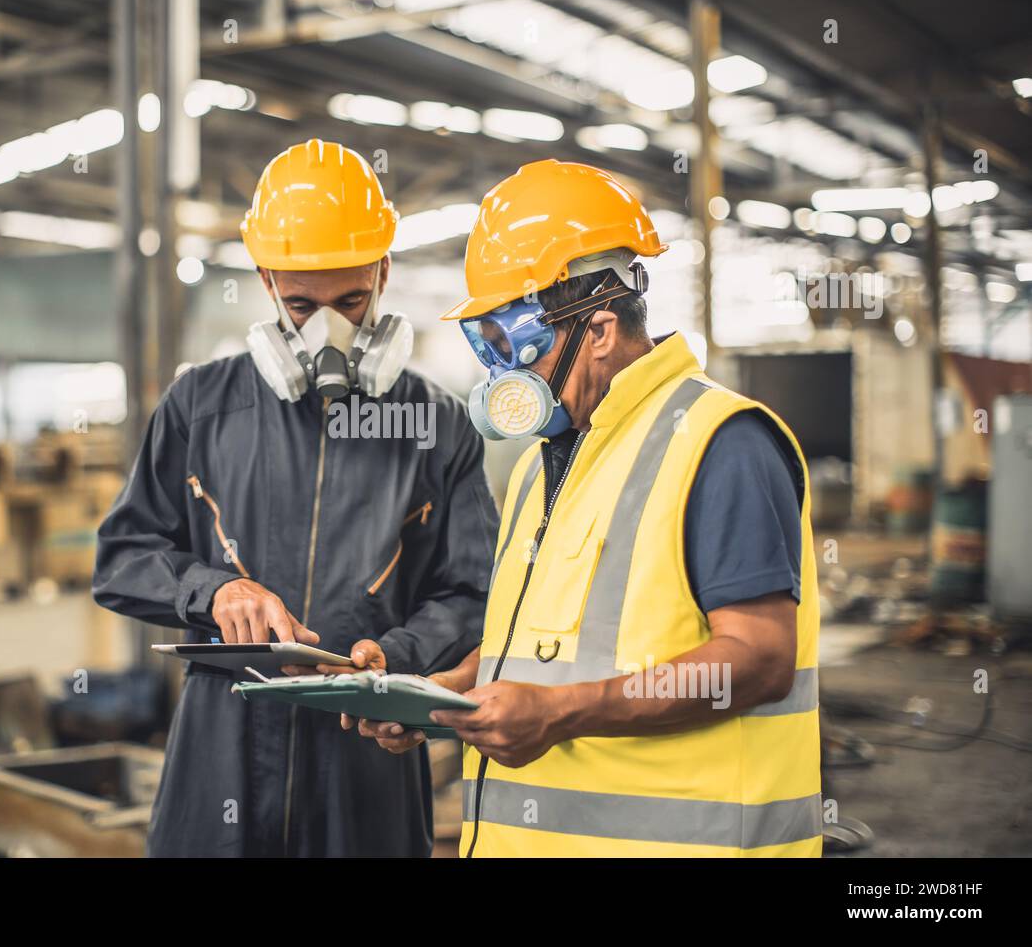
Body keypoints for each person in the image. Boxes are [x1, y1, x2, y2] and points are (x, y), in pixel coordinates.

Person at [351, 160, 822, 857]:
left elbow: (756, 660)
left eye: (512, 345)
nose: (500, 375)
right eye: (486, 347)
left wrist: (559, 713)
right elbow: (548, 646)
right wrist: (450, 691)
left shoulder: (721, 443)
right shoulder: (549, 465)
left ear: (598, 330)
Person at [93, 138, 498, 857]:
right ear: (265, 278)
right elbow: (124, 556)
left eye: (352, 300)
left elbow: (473, 592)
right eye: (301, 303)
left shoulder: (437, 427)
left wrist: (398, 654)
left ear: (384, 271)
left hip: (366, 754)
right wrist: (213, 592)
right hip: (222, 754)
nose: (328, 330)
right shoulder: (200, 407)